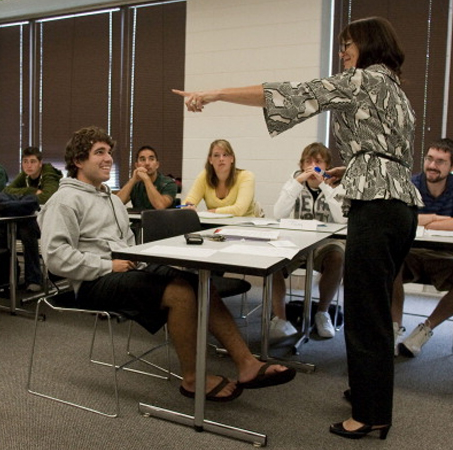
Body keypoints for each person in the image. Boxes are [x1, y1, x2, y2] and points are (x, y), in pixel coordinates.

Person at [173, 16, 422, 440]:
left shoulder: (361, 81)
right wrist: (355, 167)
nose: (343, 52)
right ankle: (372, 394)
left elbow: (289, 94)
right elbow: (386, 153)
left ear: (369, 45)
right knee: (375, 308)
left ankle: (369, 415)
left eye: (348, 44)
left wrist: (214, 93)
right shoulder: (394, 89)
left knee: (364, 312)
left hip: (377, 208)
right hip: (401, 207)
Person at [38, 126, 296, 402]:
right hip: (91, 282)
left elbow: (125, 242)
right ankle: (192, 380)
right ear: (78, 161)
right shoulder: (64, 200)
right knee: (180, 293)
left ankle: (248, 364)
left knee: (199, 283)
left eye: (109, 152)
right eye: (98, 152)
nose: (108, 158)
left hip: (123, 271)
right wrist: (108, 266)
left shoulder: (110, 199)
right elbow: (55, 257)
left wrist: (138, 258)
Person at [271, 143, 346, 339]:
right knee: (270, 259)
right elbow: (278, 213)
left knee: (338, 256)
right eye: (308, 162)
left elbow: (342, 219)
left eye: (318, 162)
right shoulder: (293, 182)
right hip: (295, 243)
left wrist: (324, 185)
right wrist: (297, 183)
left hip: (324, 244)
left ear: (327, 165)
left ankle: (322, 313)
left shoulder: (335, 185)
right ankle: (280, 318)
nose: (312, 166)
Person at [391, 138, 453, 357]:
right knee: (390, 262)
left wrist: (425, 218)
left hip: (446, 256)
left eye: (440, 161)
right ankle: (394, 327)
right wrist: (439, 218)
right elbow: (400, 219)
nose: (432, 166)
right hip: (413, 253)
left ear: (451, 167)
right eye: (429, 159)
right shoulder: (411, 184)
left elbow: (413, 219)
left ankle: (425, 330)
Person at [0, 147, 63, 292]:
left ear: (40, 163)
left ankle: (34, 278)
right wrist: (31, 192)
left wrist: (23, 196)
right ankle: (8, 275)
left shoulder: (49, 174)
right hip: (28, 220)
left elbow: (47, 197)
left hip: (51, 222)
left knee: (26, 230)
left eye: (33, 162)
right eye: (25, 162)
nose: (28, 165)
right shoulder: (24, 176)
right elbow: (6, 191)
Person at [183, 139, 256, 216]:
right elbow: (188, 201)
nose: (221, 159)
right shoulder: (204, 176)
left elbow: (239, 210)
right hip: (215, 225)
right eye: (216, 155)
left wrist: (210, 213)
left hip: (243, 225)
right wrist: (187, 207)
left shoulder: (246, 176)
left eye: (225, 155)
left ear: (232, 159)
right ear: (210, 160)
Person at [116, 145, 177, 210]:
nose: (147, 163)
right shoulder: (135, 184)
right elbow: (115, 205)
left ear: (157, 165)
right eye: (142, 159)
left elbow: (160, 206)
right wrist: (132, 180)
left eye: (151, 159)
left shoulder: (169, 183)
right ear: (136, 165)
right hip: (138, 219)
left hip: (162, 219)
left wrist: (147, 179)